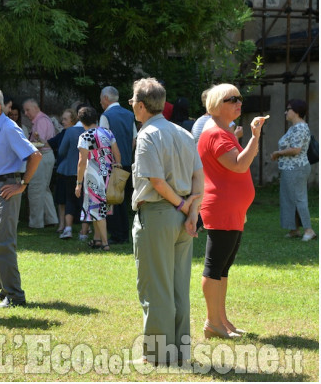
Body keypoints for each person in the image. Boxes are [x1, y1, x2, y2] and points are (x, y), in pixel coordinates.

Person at [130, 77, 203, 366]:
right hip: (184, 216)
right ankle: (180, 351)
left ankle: (159, 354)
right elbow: (199, 176)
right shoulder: (183, 133)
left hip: (159, 214)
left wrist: (183, 205)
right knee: (178, 287)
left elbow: (157, 181)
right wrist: (192, 213)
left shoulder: (148, 135)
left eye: (133, 103)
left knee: (155, 287)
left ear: (139, 105)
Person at [198, 84, 267, 340]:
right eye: (232, 99)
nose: (239, 102)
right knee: (215, 266)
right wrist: (255, 137)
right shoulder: (216, 134)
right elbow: (239, 166)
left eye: (240, 98)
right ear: (217, 104)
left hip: (231, 209)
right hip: (221, 208)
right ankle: (212, 322)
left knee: (224, 267)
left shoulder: (224, 133)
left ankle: (222, 320)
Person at [0, 88, 42, 308]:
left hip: (7, 187)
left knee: (3, 243)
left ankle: (16, 296)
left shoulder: (8, 128)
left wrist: (22, 185)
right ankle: (4, 290)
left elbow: (35, 155)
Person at [74, 107, 121, 251]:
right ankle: (97, 239)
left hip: (94, 175)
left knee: (98, 210)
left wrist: (78, 183)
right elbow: (116, 153)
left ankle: (105, 243)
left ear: (81, 121)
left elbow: (82, 162)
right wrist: (117, 168)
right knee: (99, 209)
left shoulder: (85, 136)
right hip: (109, 173)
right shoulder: (107, 132)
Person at [271, 99, 316, 241]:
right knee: (289, 198)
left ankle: (309, 230)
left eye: (288, 109)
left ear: (296, 111)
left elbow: (296, 150)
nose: (286, 112)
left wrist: (278, 153)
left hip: (297, 168)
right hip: (290, 168)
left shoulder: (300, 128)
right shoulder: (293, 127)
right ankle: (294, 229)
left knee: (298, 199)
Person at [99, 85, 137, 245]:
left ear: (106, 99)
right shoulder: (129, 114)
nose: (101, 102)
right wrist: (127, 153)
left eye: (101, 99)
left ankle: (117, 234)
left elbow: (102, 140)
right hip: (127, 163)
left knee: (112, 199)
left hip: (111, 164)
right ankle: (124, 232)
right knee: (124, 199)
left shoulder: (106, 115)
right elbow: (134, 139)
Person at [23, 99, 59, 229]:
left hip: (42, 156)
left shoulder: (41, 121)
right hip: (45, 157)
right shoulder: (42, 120)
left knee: (35, 189)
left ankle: (36, 223)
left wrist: (25, 145)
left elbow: (41, 143)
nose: (26, 113)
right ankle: (51, 219)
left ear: (35, 108)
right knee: (44, 188)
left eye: (27, 110)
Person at [47, 108, 78, 236]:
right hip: (62, 170)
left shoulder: (74, 132)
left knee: (69, 199)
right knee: (60, 199)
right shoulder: (63, 133)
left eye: (65, 119)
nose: (62, 121)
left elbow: (61, 151)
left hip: (70, 171)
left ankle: (68, 226)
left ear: (73, 120)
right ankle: (62, 224)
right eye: (62, 118)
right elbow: (50, 143)